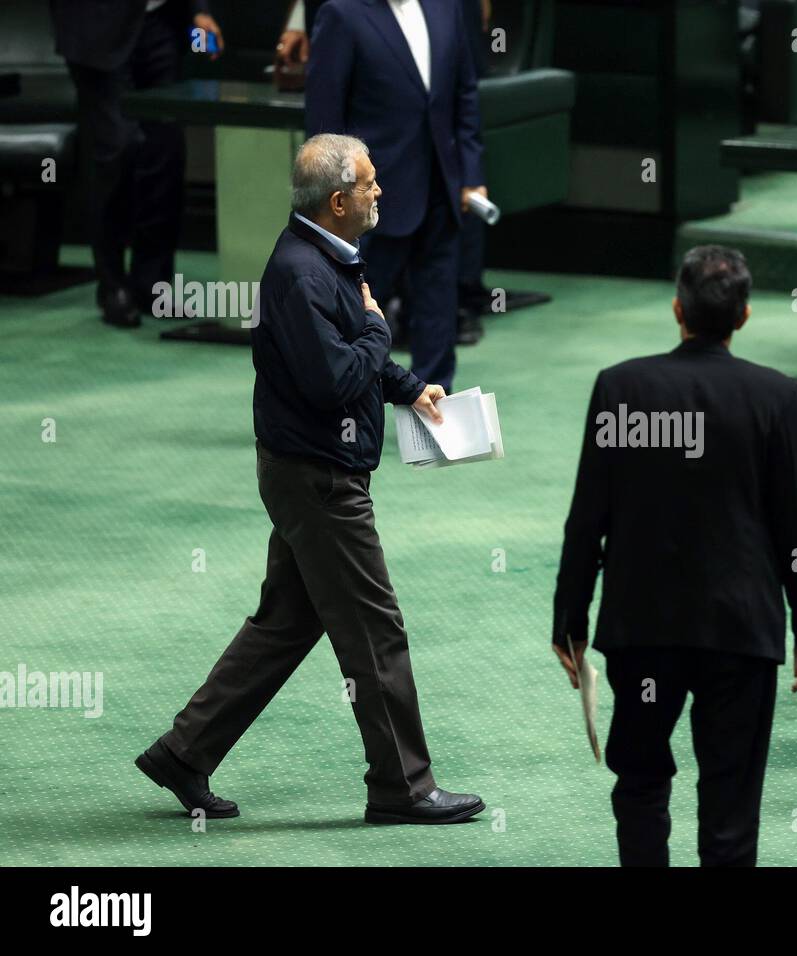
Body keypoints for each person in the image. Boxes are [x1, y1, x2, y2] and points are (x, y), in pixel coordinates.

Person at [135, 135, 484, 827]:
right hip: (319, 481)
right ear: (338, 200)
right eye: (372, 184)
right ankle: (402, 788)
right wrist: (385, 334)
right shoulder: (301, 273)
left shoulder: (325, 258)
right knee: (374, 631)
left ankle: (184, 752)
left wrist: (412, 388)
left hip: (312, 473)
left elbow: (351, 349)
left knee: (286, 623)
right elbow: (335, 380)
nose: (380, 192)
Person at [553, 246, 797, 867]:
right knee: (731, 795)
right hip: (741, 630)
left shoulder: (620, 386)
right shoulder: (777, 396)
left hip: (642, 627)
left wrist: (568, 620)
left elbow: (586, 518)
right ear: (745, 316)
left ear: (678, 309)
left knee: (642, 779)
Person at [306, 0, 486, 393]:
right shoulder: (342, 13)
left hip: (441, 182)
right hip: (370, 194)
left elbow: (465, 94)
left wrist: (470, 174)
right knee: (354, 309)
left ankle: (436, 409)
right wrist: (336, 194)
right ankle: (331, 404)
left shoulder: (447, 8)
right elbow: (324, 114)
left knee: (438, 305)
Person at [50, 0, 224, 328]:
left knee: (166, 150)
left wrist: (200, 10)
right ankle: (113, 283)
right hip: (96, 27)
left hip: (161, 22)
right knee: (118, 148)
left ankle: (152, 284)